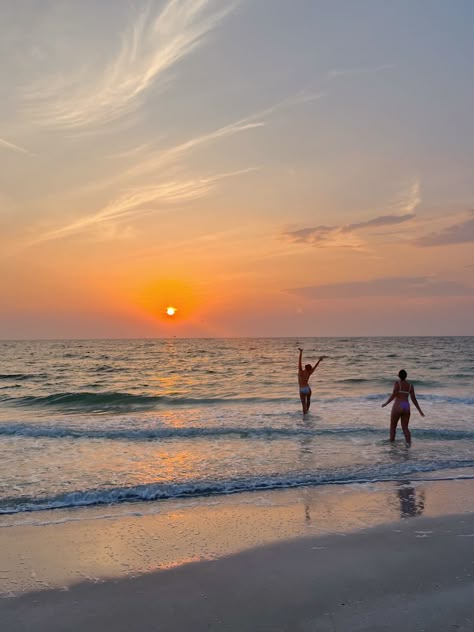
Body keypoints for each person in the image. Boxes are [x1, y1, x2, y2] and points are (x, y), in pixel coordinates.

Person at [382, 369, 424, 446]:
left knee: (393, 426)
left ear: (399, 376)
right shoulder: (410, 386)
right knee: (405, 427)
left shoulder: (397, 383)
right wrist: (420, 411)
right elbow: (414, 399)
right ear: (406, 376)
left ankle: (392, 445)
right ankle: (408, 445)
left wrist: (386, 403)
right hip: (405, 405)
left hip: (398, 405)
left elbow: (394, 395)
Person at [298, 348, 325, 414]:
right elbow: (315, 367)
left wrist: (301, 352)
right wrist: (319, 360)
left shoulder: (301, 371)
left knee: (303, 403)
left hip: (301, 389)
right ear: (309, 369)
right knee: (308, 400)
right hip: (307, 389)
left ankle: (305, 415)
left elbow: (299, 362)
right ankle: (307, 411)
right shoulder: (309, 372)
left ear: (305, 367)